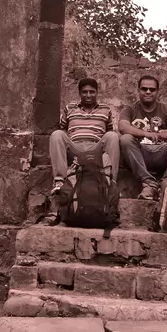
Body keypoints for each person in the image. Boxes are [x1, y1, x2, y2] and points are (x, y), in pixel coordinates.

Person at [42, 78, 120, 225]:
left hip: (95, 149)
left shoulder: (106, 110)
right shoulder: (70, 108)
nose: (88, 95)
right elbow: (63, 128)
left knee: (112, 136)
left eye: (92, 92)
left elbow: (108, 131)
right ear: (79, 93)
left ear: (97, 93)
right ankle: (59, 181)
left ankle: (111, 182)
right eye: (84, 92)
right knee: (57, 134)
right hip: (75, 148)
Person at [118, 74, 167, 200]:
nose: (148, 92)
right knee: (125, 139)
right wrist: (145, 133)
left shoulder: (165, 109)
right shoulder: (130, 109)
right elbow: (122, 127)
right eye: (144, 89)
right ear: (138, 90)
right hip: (140, 154)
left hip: (162, 152)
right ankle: (149, 184)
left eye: (152, 89)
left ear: (157, 92)